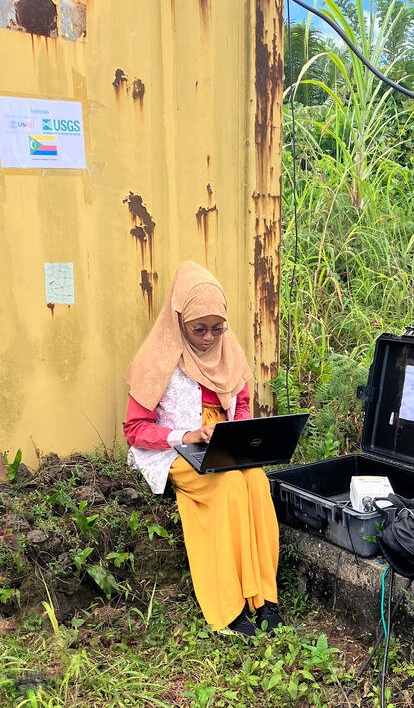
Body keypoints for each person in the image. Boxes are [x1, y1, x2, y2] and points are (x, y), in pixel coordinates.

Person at [123, 261, 283, 637]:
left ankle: (264, 598)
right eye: (199, 329)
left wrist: (234, 431)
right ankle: (229, 606)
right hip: (175, 447)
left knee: (256, 483)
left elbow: (241, 402)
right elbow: (135, 429)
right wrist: (188, 435)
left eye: (217, 328)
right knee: (224, 487)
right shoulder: (156, 358)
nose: (210, 338)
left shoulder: (229, 350)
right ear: (179, 320)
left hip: (221, 441)